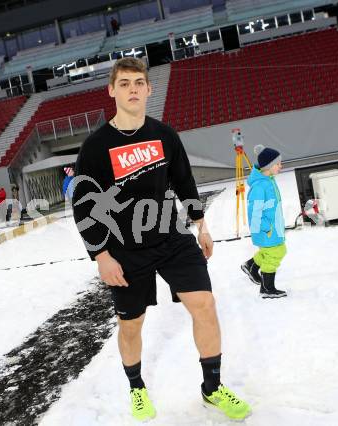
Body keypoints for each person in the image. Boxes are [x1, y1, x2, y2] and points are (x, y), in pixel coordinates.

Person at [72, 58, 251, 422]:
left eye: (139, 82)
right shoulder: (96, 146)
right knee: (131, 325)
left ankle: (212, 388)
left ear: (149, 89)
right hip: (124, 249)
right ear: (111, 90)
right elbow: (84, 204)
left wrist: (200, 224)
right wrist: (101, 255)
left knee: (204, 305)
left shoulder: (164, 134)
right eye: (124, 83)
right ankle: (137, 389)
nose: (133, 89)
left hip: (171, 237)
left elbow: (184, 181)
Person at [241, 144, 287, 298]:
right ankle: (267, 288)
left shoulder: (269, 180)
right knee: (275, 253)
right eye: (278, 164)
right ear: (268, 166)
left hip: (273, 227)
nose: (281, 166)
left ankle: (251, 266)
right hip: (266, 229)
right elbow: (254, 212)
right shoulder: (260, 186)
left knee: (271, 252)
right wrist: (266, 227)